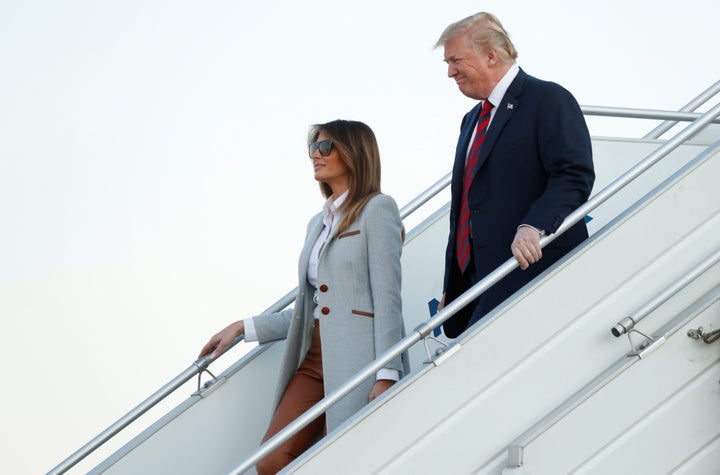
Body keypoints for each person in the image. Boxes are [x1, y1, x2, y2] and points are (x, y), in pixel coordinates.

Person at [198, 119, 407, 474]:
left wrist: (387, 371)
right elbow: (307, 307)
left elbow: (388, 298)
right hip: (312, 360)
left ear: (355, 153)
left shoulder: (378, 209)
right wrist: (243, 327)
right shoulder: (318, 223)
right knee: (270, 460)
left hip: (358, 359)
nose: (316, 155)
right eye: (313, 148)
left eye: (326, 147)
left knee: (341, 461)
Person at [435, 12, 595, 338]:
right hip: (478, 284)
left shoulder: (547, 99)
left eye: (455, 60)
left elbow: (573, 175)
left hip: (529, 272)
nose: (450, 71)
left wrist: (533, 225)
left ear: (491, 55)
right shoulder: (471, 120)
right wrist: (455, 282)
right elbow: (468, 206)